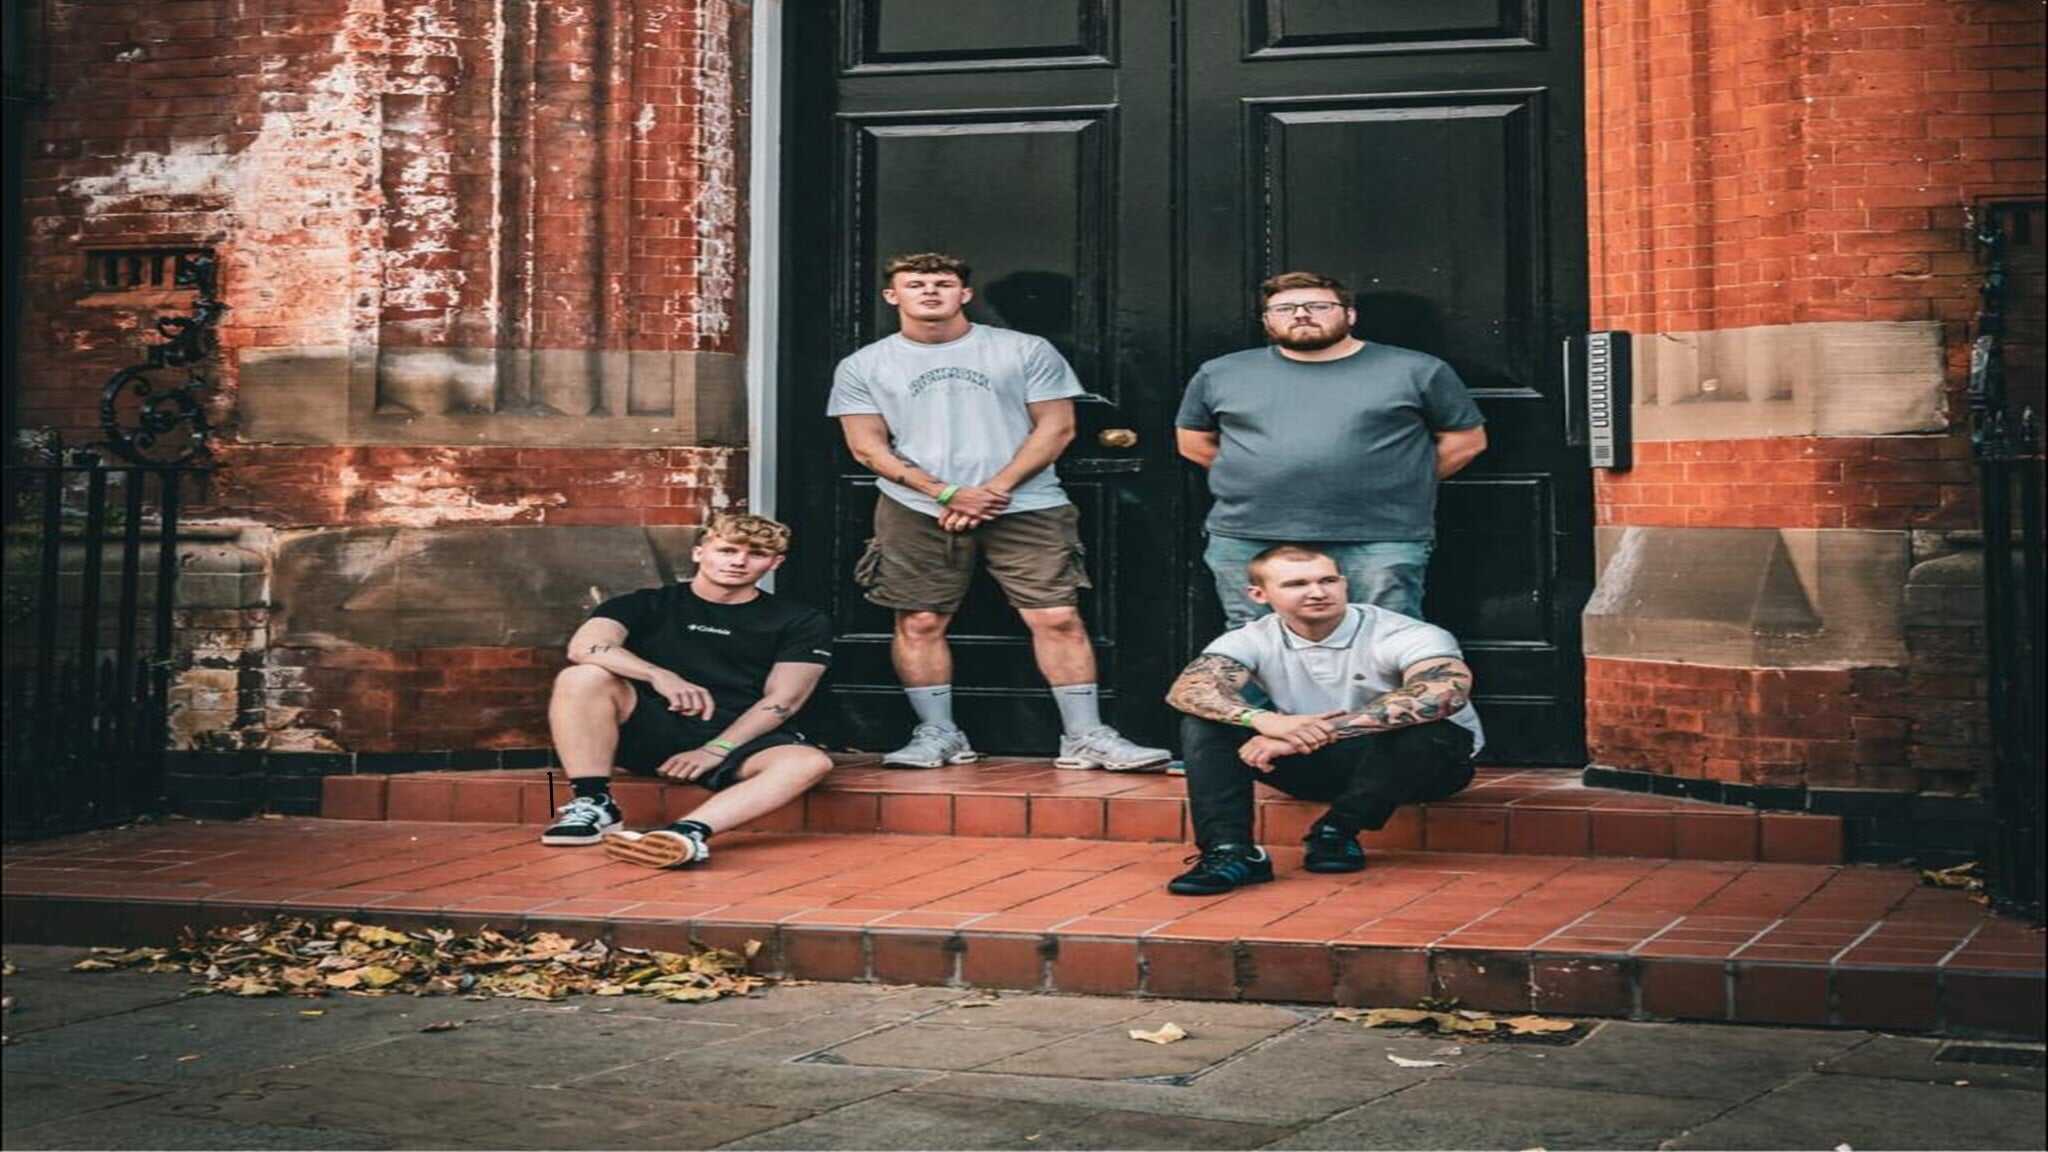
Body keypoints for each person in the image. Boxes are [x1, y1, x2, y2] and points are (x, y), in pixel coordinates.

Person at [828, 251, 1169, 772]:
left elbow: (1057, 427)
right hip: (915, 506)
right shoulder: (865, 364)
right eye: (915, 284)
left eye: (943, 283)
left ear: (964, 293)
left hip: (1028, 502)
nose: (930, 292)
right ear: (892, 296)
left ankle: (1084, 735)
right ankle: (939, 733)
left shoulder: (1022, 350)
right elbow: (866, 446)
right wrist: (945, 493)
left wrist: (991, 490)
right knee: (920, 619)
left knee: (1056, 616)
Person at [1161, 544, 1484, 894]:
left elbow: (1443, 693)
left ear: (1344, 584)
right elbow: (1189, 690)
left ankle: (1336, 832)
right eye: (1297, 584)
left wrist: (1319, 730)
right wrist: (1262, 720)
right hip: (1313, 765)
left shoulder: (1402, 632)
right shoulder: (1251, 638)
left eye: (1328, 580)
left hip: (1421, 771)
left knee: (1430, 731)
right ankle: (1231, 852)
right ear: (1259, 594)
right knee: (1204, 722)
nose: (1317, 592)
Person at [1175, 271, 1489, 625]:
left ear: (1350, 315)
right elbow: (1193, 442)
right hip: (1249, 534)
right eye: (1285, 309)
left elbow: (1466, 441)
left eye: (1318, 306)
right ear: (1266, 320)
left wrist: (1401, 479)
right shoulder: (1221, 373)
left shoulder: (1417, 370)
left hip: (1379, 534)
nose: (1301, 315)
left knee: (1383, 636)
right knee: (1256, 640)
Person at [540, 513, 836, 869]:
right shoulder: (644, 603)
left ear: (775, 563)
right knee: (582, 677)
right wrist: (659, 675)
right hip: (654, 724)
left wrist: (716, 749)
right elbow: (584, 647)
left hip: (739, 735)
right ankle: (594, 802)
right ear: (699, 552)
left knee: (810, 762)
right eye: (727, 550)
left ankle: (685, 834)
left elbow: (785, 699)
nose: (739, 561)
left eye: (756, 554)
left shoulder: (801, 620)